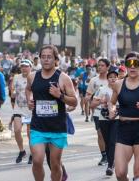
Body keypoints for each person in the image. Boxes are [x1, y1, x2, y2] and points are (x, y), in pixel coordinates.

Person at [25, 45, 77, 181]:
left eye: (49, 57)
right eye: (43, 57)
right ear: (39, 59)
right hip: (38, 127)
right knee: (37, 160)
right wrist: (29, 100)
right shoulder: (32, 76)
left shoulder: (63, 78)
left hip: (57, 128)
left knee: (55, 164)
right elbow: (28, 89)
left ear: (55, 59)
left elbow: (74, 102)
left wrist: (60, 95)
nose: (46, 60)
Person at [109, 52, 139, 181]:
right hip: (123, 129)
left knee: (138, 174)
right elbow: (112, 102)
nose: (133, 67)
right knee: (120, 173)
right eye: (130, 63)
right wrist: (112, 110)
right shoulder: (118, 84)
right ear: (126, 65)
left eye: (136, 63)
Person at [91, 69, 118, 176]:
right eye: (110, 77)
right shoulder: (102, 89)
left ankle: (110, 165)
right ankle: (111, 160)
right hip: (103, 118)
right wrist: (103, 101)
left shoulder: (120, 89)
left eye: (115, 77)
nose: (113, 79)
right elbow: (93, 104)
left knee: (112, 141)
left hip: (117, 119)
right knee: (107, 142)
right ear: (107, 79)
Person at [85, 59, 110, 166]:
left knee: (110, 135)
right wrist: (89, 98)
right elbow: (88, 95)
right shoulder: (93, 81)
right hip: (97, 112)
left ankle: (111, 154)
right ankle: (104, 156)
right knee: (100, 134)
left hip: (111, 112)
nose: (100, 67)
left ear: (108, 67)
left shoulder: (113, 79)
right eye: (98, 66)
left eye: (102, 65)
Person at [10, 59, 33, 164]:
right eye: (22, 66)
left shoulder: (34, 77)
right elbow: (12, 90)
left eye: (26, 66)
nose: (24, 68)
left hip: (30, 109)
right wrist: (13, 93)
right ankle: (22, 151)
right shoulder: (16, 77)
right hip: (18, 108)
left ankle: (33, 153)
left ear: (30, 67)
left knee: (30, 133)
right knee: (17, 130)